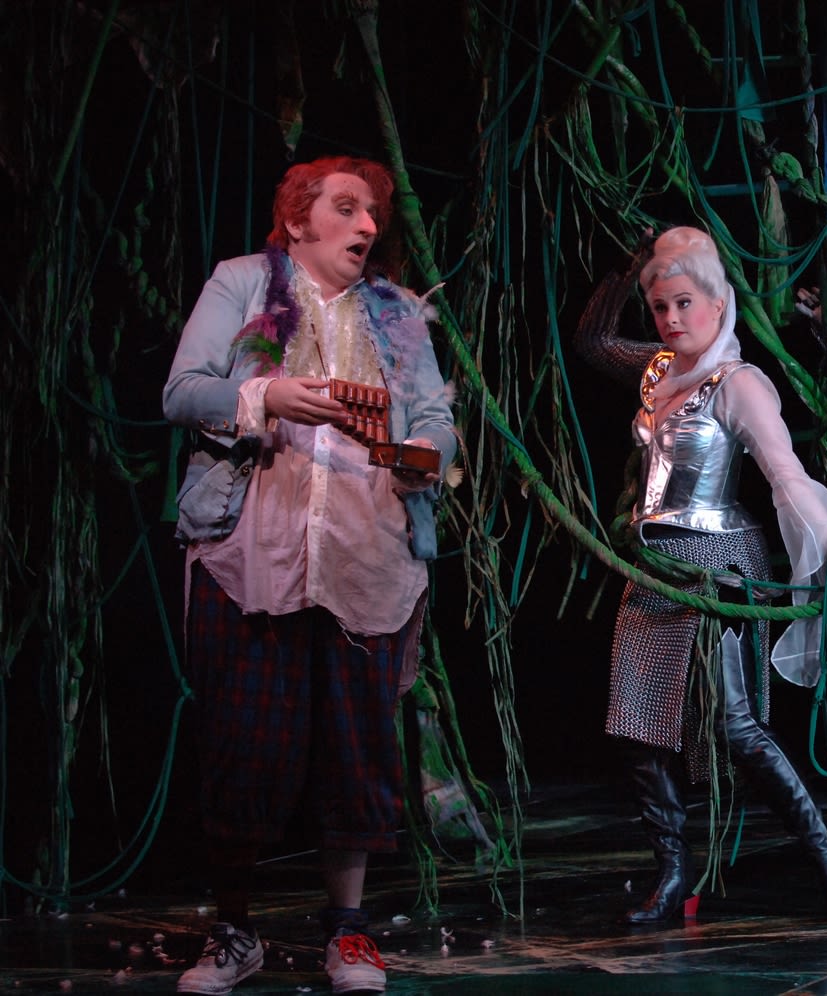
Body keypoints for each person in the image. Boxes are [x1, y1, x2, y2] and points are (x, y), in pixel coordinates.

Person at [163, 155, 456, 994]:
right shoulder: (244, 283)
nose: (368, 226)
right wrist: (267, 398)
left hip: (365, 557)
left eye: (373, 213)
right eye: (347, 209)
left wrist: (427, 455)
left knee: (355, 751)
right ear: (298, 221)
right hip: (255, 552)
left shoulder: (397, 313)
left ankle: (350, 932)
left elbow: (437, 415)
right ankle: (234, 931)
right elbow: (183, 392)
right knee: (244, 746)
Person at [575, 226, 827, 925]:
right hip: (654, 565)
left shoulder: (737, 384)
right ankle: (672, 876)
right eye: (660, 308)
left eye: (684, 304)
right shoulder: (657, 370)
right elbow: (592, 344)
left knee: (733, 729)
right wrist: (628, 264)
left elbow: (786, 477)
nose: (672, 320)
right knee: (640, 726)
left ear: (718, 304)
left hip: (716, 566)